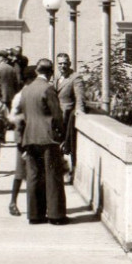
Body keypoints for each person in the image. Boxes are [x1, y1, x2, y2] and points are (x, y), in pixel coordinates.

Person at [18, 58, 66, 224]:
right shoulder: (48, 89)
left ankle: (35, 214)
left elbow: (24, 115)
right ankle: (55, 215)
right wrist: (62, 134)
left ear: (37, 71)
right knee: (52, 176)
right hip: (47, 137)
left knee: (34, 176)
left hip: (30, 137)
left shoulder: (26, 90)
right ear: (51, 72)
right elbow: (57, 115)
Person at [7, 67, 38, 215]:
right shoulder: (21, 96)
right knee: (21, 171)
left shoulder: (30, 93)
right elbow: (12, 117)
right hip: (23, 136)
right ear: (29, 80)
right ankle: (13, 202)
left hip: (32, 135)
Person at [53, 52, 86, 183]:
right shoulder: (56, 77)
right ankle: (61, 172)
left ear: (70, 64)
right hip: (56, 116)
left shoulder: (75, 77)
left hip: (67, 116)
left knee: (69, 145)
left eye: (65, 63)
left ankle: (71, 172)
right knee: (57, 145)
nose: (63, 66)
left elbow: (80, 96)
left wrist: (79, 110)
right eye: (60, 63)